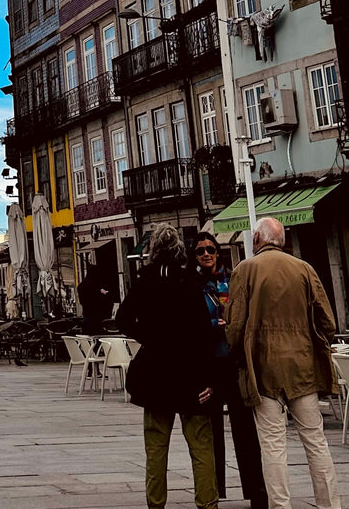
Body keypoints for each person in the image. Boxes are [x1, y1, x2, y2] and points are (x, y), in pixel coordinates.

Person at [226, 215, 342, 509]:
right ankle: (330, 505)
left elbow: (235, 326)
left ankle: (280, 506)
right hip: (302, 367)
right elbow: (327, 321)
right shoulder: (304, 269)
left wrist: (234, 346)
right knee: (316, 442)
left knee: (272, 445)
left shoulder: (244, 270)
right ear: (283, 241)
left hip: (262, 369)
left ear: (256, 240)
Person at [115, 224, 218, 509]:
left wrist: (148, 337)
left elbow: (122, 319)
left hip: (155, 374)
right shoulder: (190, 281)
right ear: (179, 250)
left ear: (153, 250)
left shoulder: (145, 280)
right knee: (201, 445)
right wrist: (208, 377)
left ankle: (156, 503)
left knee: (156, 445)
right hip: (190, 375)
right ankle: (207, 502)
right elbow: (203, 332)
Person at [192, 231, 267, 509]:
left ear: (218, 251)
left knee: (246, 431)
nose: (206, 254)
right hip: (209, 365)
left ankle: (257, 492)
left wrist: (233, 324)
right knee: (210, 434)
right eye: (200, 251)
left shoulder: (234, 279)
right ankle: (213, 492)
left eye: (210, 249)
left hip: (235, 363)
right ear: (195, 255)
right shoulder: (192, 284)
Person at [78, 267, 111, 335]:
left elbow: (82, 301)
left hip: (87, 316)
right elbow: (105, 300)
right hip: (99, 318)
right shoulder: (97, 287)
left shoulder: (81, 286)